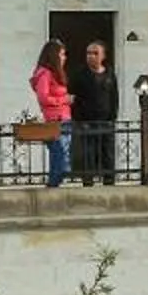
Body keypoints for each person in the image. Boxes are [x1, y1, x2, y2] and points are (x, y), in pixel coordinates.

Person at [75, 38, 120, 184]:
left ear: (103, 56)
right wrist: (79, 120)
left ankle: (109, 180)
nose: (91, 56)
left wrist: (113, 117)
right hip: (87, 121)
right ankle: (88, 182)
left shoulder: (109, 74)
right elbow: (74, 98)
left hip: (106, 120)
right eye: (88, 53)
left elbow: (114, 96)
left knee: (107, 152)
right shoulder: (80, 74)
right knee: (89, 153)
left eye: (95, 53)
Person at [30, 37, 73, 188]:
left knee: (63, 153)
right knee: (59, 153)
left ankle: (56, 182)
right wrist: (63, 100)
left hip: (64, 117)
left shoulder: (55, 74)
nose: (64, 58)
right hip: (55, 118)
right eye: (62, 54)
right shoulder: (45, 74)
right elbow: (44, 98)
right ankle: (53, 183)